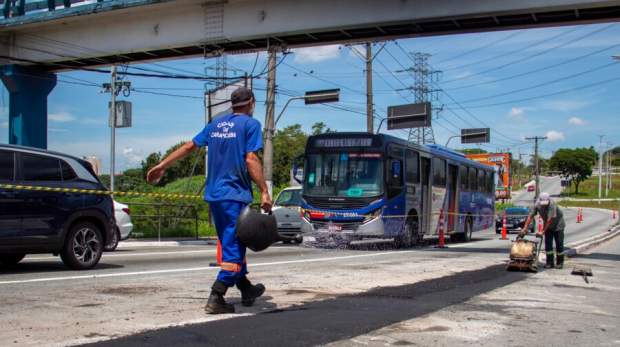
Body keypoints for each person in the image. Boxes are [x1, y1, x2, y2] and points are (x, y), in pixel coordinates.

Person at [146, 87, 272, 314]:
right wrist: (264, 191)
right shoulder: (251, 125)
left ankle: (246, 289)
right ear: (251, 101)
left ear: (233, 104)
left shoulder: (215, 125)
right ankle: (217, 294)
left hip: (214, 195)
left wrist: (162, 165)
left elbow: (188, 146)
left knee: (231, 241)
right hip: (234, 194)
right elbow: (251, 159)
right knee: (234, 248)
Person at [519, 192, 566, 269]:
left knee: (559, 244)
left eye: (545, 204)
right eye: (542, 204)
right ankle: (550, 263)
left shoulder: (552, 204)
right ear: (540, 201)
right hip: (549, 227)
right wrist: (524, 228)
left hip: (558, 226)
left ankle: (560, 262)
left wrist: (543, 231)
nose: (544, 205)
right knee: (548, 245)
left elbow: (549, 220)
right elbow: (530, 217)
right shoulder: (537, 205)